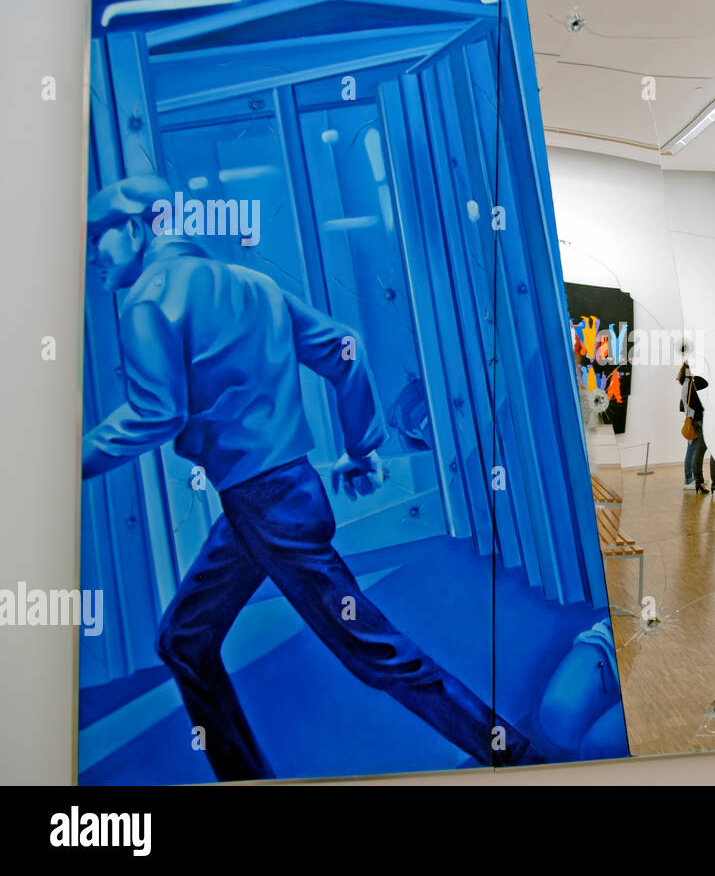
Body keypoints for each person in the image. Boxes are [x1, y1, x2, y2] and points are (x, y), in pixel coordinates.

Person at [81, 175, 539, 779]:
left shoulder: (149, 300)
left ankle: (508, 750)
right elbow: (344, 347)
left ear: (136, 230)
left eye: (98, 238)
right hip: (281, 497)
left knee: (374, 650)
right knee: (184, 639)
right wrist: (362, 445)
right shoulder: (253, 284)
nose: (93, 256)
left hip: (265, 510)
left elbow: (155, 411)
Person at [677, 362, 715, 497]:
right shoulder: (692, 383)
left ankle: (699, 482)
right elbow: (702, 394)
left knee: (699, 450)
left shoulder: (686, 383)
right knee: (714, 448)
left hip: (695, 420)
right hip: (701, 419)